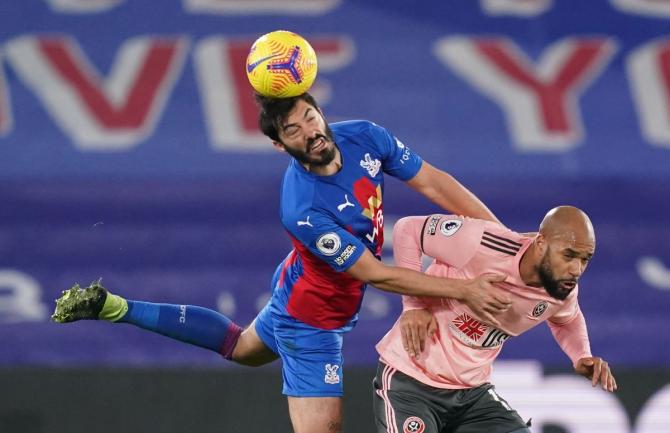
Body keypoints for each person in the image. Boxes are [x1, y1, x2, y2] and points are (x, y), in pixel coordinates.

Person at [52, 92, 513, 433]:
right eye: (292, 130)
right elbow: (376, 274)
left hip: (298, 283)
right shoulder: (302, 208)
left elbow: (434, 183)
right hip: (312, 321)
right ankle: (114, 308)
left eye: (310, 117)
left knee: (243, 349)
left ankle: (114, 307)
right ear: (279, 145)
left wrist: (504, 242)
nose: (310, 132)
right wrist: (465, 288)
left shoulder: (366, 137)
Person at [373, 206, 617, 433]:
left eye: (585, 259)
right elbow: (408, 229)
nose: (576, 269)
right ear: (541, 243)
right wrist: (414, 304)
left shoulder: (561, 289)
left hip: (472, 394)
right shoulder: (483, 242)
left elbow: (567, 319)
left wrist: (581, 355)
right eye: (569, 255)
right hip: (411, 382)